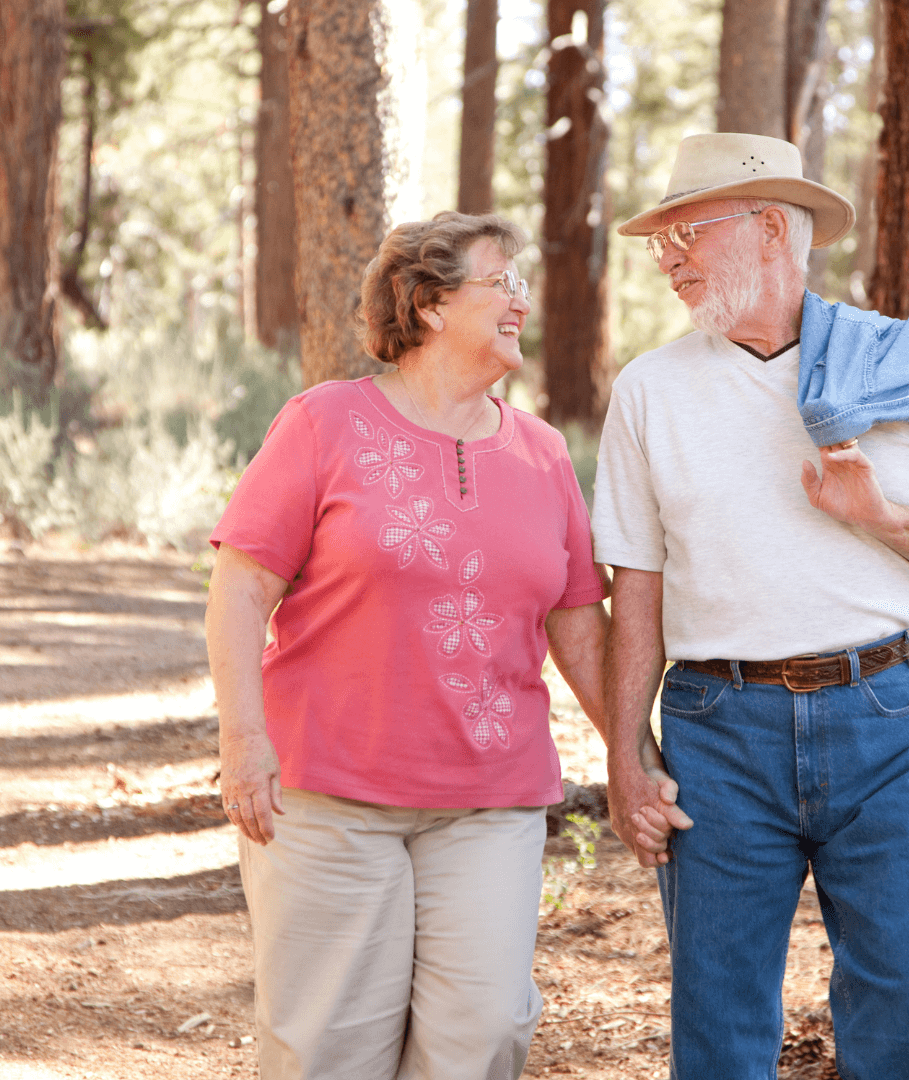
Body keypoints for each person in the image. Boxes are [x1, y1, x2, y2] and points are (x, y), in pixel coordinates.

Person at [205, 211, 682, 1080]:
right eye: (502, 282)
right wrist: (243, 738)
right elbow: (240, 586)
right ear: (428, 306)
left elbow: (579, 619)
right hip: (330, 796)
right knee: (327, 1050)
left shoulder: (540, 453)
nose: (521, 302)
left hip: (489, 802)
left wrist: (630, 752)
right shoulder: (325, 423)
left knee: (486, 1032)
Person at [592, 133, 909, 1079]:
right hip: (718, 728)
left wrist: (881, 515)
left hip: (887, 718)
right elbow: (639, 586)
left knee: (908, 1003)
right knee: (719, 1013)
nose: (670, 260)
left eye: (688, 234)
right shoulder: (648, 392)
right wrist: (626, 756)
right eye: (659, 242)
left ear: (772, 228)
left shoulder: (901, 369)